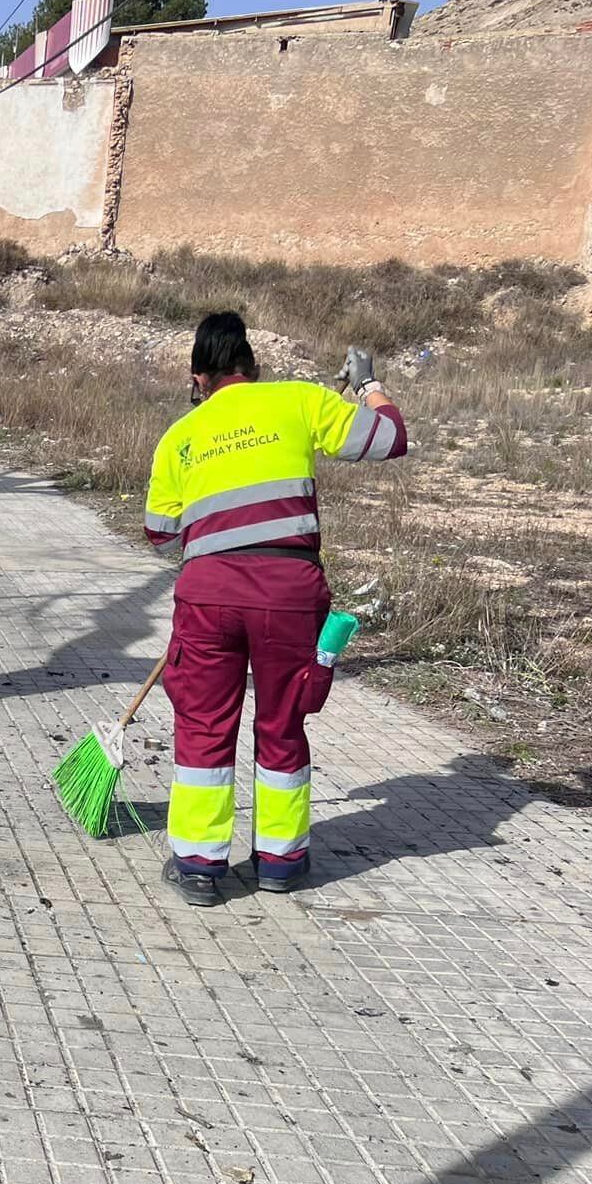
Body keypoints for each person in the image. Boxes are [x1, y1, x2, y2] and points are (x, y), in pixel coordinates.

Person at [144, 312, 408, 906]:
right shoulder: (301, 400)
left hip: (209, 596)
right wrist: (367, 387)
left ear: (198, 379)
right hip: (289, 595)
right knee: (284, 722)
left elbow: (160, 533)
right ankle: (281, 863)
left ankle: (199, 867)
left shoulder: (179, 436)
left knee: (204, 726)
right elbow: (390, 438)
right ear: (252, 368)